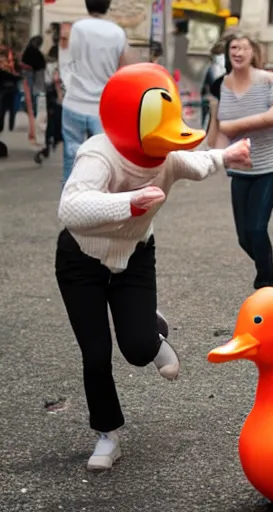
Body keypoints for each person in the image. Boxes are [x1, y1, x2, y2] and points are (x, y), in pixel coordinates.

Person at [56, 62, 251, 471]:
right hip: (82, 261)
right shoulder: (100, 154)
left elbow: (198, 164)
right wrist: (129, 202)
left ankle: (151, 330)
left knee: (138, 349)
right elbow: (70, 208)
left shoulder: (167, 154)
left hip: (135, 257)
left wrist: (228, 153)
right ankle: (108, 436)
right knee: (96, 354)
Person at [207, 33, 273, 289]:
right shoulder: (220, 85)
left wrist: (235, 125)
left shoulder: (268, 79)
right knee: (244, 238)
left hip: (270, 165)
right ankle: (271, 274)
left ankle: (267, 285)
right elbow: (218, 135)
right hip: (241, 169)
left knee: (256, 228)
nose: (238, 52)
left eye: (243, 48)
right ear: (228, 53)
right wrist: (214, 157)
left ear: (253, 52)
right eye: (233, 48)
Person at [61, 0, 136, 185]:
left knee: (72, 156)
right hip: (103, 108)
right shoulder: (117, 33)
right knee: (102, 159)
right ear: (108, 5)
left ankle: (70, 201)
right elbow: (126, 68)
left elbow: (69, 59)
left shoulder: (77, 27)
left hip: (74, 102)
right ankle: (96, 198)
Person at [20, 36, 46, 143]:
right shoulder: (34, 51)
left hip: (31, 74)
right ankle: (32, 113)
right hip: (34, 74)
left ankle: (32, 112)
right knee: (34, 95)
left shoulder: (28, 50)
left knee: (31, 96)